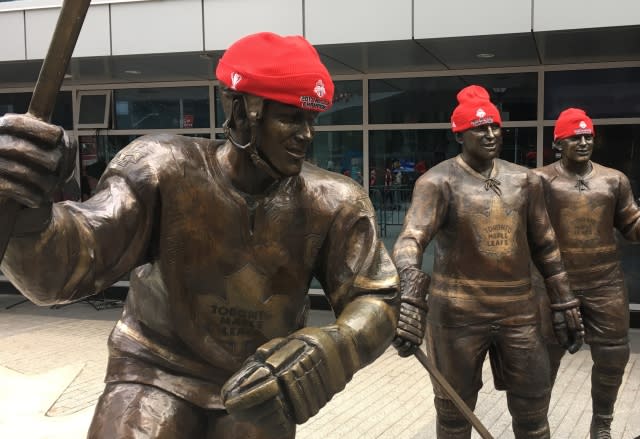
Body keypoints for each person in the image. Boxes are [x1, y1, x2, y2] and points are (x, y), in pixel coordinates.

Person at [0, 32, 399, 439]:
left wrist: (334, 346)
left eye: (311, 120)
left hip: (253, 385)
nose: (306, 135)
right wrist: (27, 212)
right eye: (291, 118)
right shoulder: (161, 167)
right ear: (242, 111)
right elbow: (67, 268)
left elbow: (377, 297)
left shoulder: (334, 201)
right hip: (154, 370)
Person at [392, 85, 584, 439]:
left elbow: (546, 245)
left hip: (519, 311)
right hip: (458, 312)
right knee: (453, 412)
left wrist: (563, 298)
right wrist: (408, 290)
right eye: (480, 128)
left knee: (533, 408)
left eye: (495, 126)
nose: (490, 134)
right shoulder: (437, 182)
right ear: (459, 134)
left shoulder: (525, 181)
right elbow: (411, 238)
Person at [533, 108, 640, 439]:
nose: (584, 141)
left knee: (613, 356)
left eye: (588, 136)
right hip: (554, 284)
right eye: (575, 136)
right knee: (544, 357)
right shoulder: (539, 181)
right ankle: (536, 425)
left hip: (605, 283)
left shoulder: (613, 180)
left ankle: (602, 424)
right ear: (559, 142)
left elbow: (635, 227)